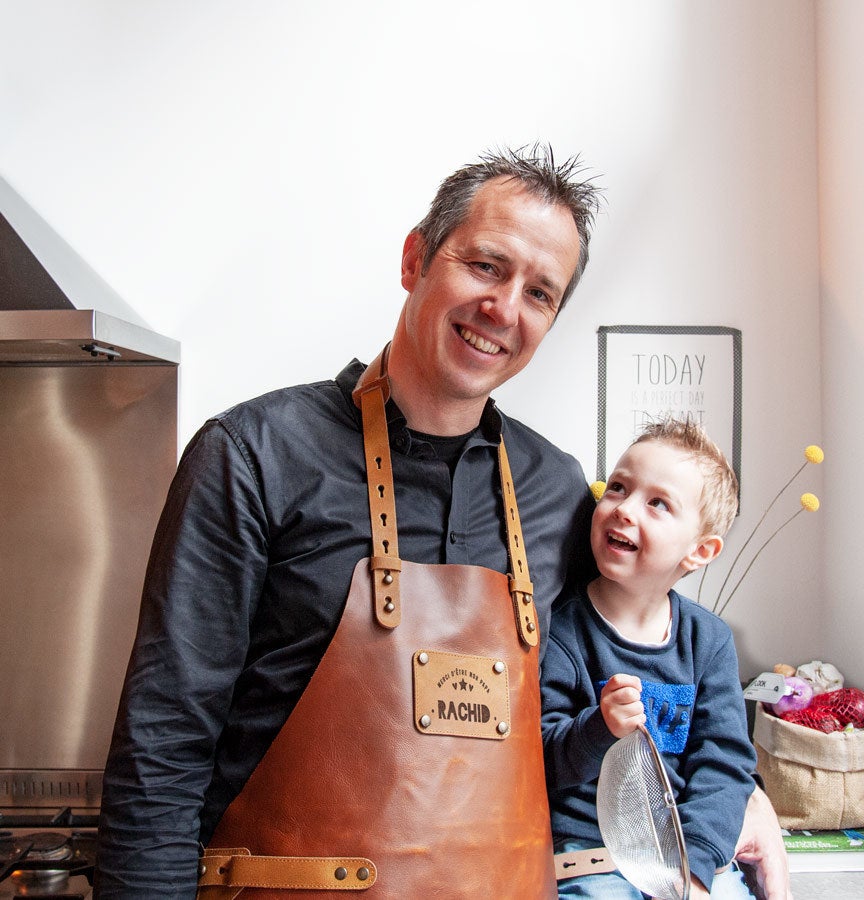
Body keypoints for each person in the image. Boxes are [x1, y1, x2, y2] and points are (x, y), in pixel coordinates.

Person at [95, 146, 792, 899]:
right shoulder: (253, 456)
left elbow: (655, 649)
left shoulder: (557, 493)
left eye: (539, 293)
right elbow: (163, 746)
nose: (503, 309)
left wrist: (738, 797)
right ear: (414, 258)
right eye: (486, 266)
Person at [542, 419, 762, 899]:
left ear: (700, 551)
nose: (623, 509)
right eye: (618, 487)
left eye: (657, 503)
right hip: (590, 856)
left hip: (685, 853)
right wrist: (598, 727)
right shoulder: (561, 630)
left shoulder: (708, 642)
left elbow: (724, 764)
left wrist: (699, 870)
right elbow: (540, 759)